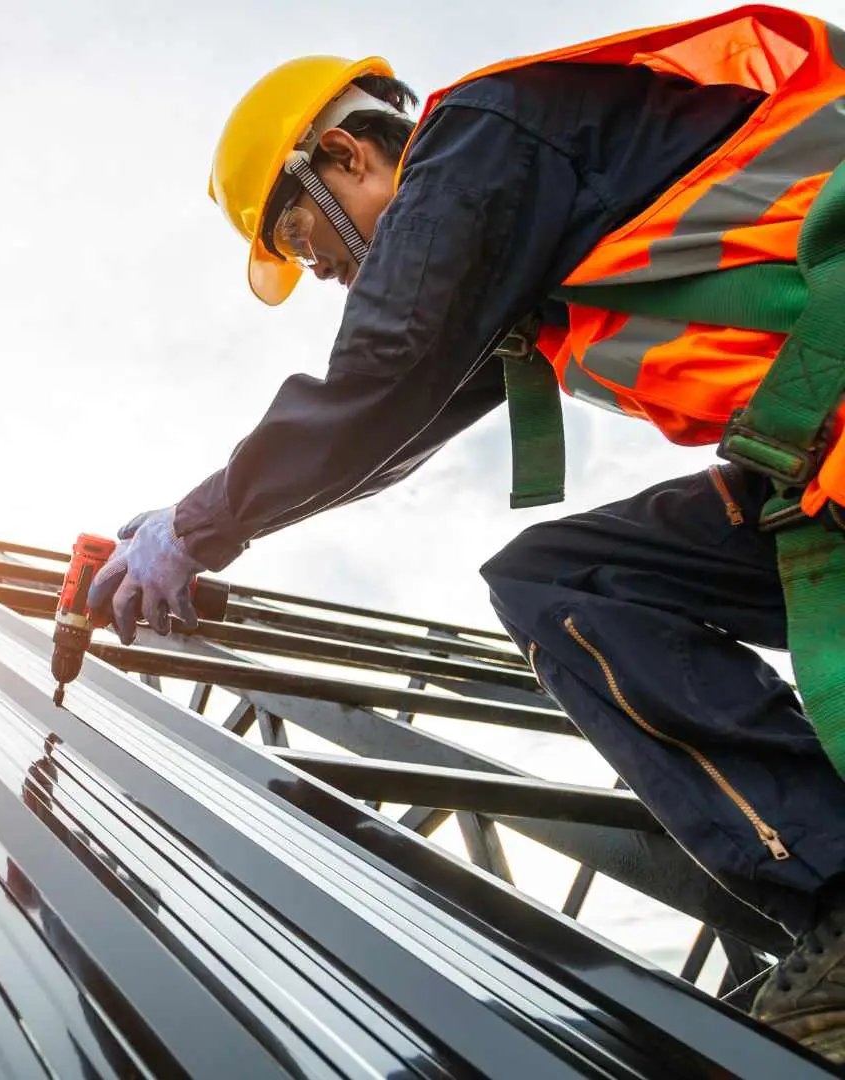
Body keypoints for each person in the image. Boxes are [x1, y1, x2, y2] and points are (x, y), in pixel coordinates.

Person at [87, 6, 845, 1060]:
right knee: (564, 579)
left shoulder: (477, 141)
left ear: (346, 152)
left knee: (565, 576)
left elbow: (384, 373)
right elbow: (391, 427)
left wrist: (197, 526)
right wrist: (202, 525)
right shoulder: (526, 237)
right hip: (826, 466)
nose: (331, 276)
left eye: (310, 243)